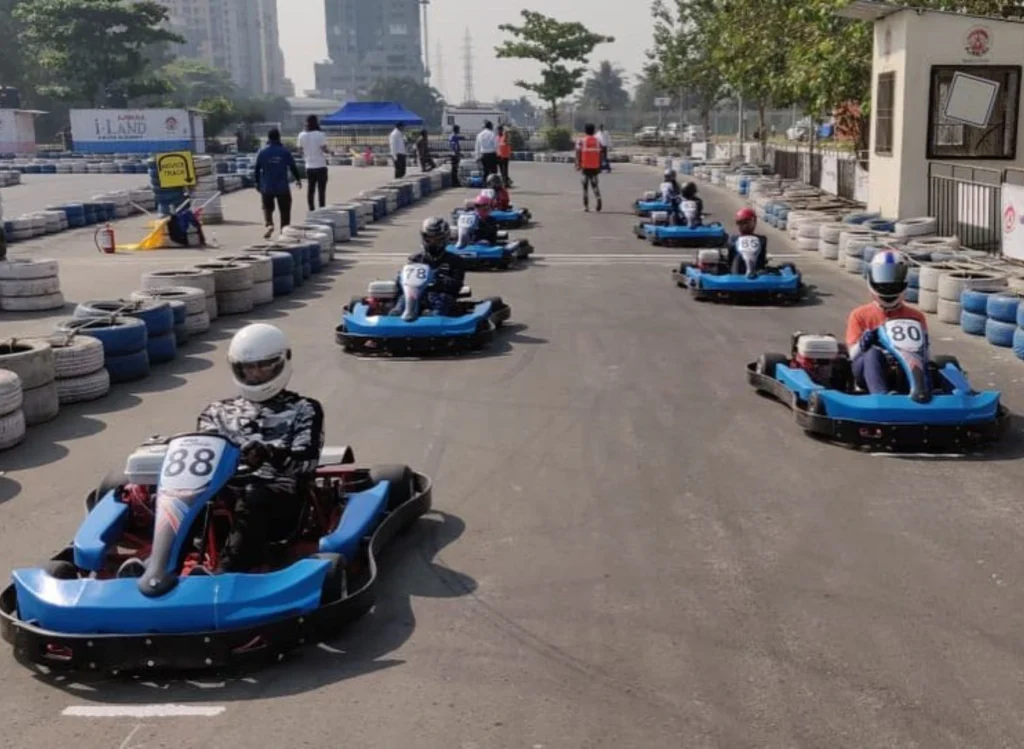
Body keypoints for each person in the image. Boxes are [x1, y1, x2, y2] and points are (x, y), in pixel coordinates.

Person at [193, 323, 324, 574]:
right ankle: (156, 568)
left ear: (283, 362)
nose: (256, 374)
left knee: (253, 495)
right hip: (226, 493)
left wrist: (270, 454)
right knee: (180, 495)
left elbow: (307, 462)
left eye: (264, 366)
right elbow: (205, 453)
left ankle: (224, 574)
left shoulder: (304, 409)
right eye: (248, 367)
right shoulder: (215, 412)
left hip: (280, 504)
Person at [845, 249, 929, 395]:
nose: (888, 283)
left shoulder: (916, 316)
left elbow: (926, 355)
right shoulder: (859, 315)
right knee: (872, 354)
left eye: (893, 277)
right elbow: (852, 356)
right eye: (883, 276)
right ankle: (881, 396)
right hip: (867, 369)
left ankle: (921, 393)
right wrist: (865, 343)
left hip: (904, 368)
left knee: (940, 365)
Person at [392, 217, 470, 317]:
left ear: (445, 238)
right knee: (400, 305)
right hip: (415, 296)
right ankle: (394, 319)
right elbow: (404, 282)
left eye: (437, 239)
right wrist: (400, 279)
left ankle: (432, 319)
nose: (432, 242)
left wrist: (436, 279)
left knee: (441, 307)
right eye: (429, 238)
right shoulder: (415, 259)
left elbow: (457, 285)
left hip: (441, 296)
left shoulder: (454, 260)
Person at [254, 128, 302, 240]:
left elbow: (256, 169)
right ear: (279, 137)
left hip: (267, 186)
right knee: (285, 210)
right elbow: (292, 166)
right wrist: (298, 179)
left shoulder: (262, 151)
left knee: (267, 207)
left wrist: (257, 183)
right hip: (282, 186)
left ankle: (269, 224)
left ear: (268, 138)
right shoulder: (284, 151)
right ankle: (284, 231)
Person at [297, 115, 329, 212]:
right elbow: (324, 149)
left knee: (311, 190)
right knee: (321, 190)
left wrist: (306, 155)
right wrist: (330, 151)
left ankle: (311, 209)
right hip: (321, 165)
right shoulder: (320, 134)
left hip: (309, 166)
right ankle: (322, 209)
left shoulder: (301, 135)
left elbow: (299, 150)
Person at [726, 207, 767, 275]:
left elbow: (762, 260)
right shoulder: (733, 239)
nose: (743, 226)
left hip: (758, 273)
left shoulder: (762, 239)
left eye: (746, 223)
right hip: (736, 272)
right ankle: (735, 275)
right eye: (740, 223)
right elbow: (729, 260)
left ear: (753, 222)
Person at [575, 123, 603, 212]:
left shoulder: (582, 141)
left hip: (585, 167)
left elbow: (578, 153)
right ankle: (598, 197)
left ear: (585, 131)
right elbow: (601, 154)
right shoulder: (597, 141)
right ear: (594, 131)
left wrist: (577, 164)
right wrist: (600, 165)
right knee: (595, 185)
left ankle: (586, 206)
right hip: (595, 166)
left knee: (585, 186)